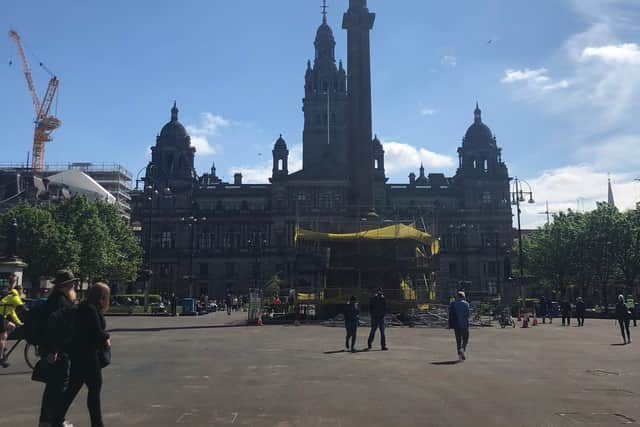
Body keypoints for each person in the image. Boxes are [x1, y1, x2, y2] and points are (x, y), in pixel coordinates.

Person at [59, 283, 111, 427]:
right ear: (102, 296)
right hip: (88, 355)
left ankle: (56, 418)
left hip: (78, 354)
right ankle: (97, 424)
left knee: (72, 388)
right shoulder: (90, 309)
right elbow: (96, 333)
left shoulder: (84, 306)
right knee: (94, 389)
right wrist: (106, 337)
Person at [0, 273, 24, 368]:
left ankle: (2, 347)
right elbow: (22, 307)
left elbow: (12, 311)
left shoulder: (9, 291)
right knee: (3, 336)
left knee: (12, 326)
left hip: (3, 315)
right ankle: (1, 358)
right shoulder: (13, 294)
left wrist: (18, 322)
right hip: (1, 315)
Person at [449, 291, 470, 361]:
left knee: (458, 340)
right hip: (464, 324)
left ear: (457, 296)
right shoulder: (466, 304)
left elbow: (450, 314)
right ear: (463, 296)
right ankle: (463, 349)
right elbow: (468, 315)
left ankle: (459, 356)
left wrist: (450, 324)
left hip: (456, 324)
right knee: (465, 338)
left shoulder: (453, 304)